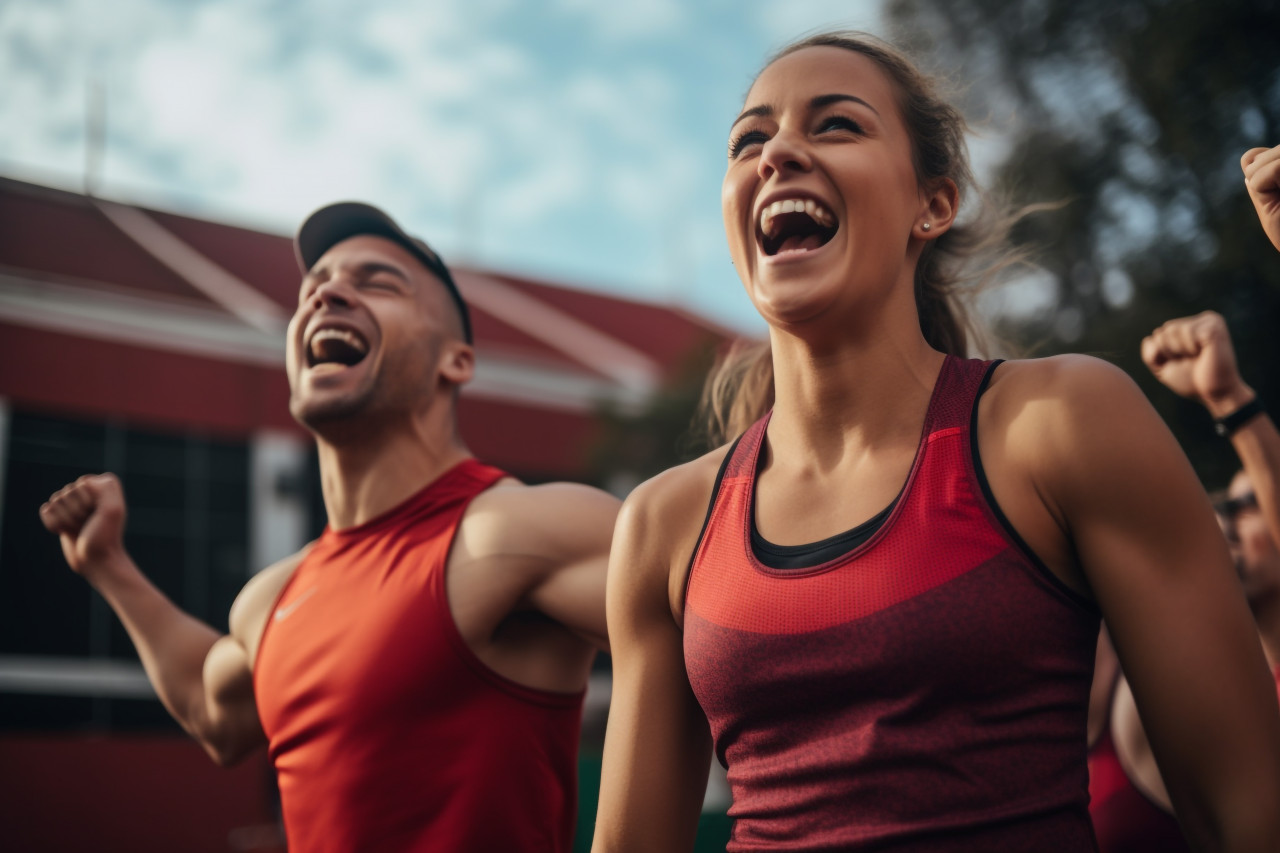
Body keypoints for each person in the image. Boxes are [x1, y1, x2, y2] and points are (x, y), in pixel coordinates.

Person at [592, 32, 1280, 853]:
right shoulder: (663, 523)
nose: (777, 153)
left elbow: (1250, 816)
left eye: (836, 125)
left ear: (934, 204)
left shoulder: (1060, 423)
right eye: (750, 139)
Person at [39, 203, 618, 853]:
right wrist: (108, 566)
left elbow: (728, 644)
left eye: (377, 282)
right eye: (313, 286)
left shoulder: (521, 530)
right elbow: (212, 708)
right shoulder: (272, 599)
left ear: (455, 361)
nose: (328, 291)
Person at [1090, 309, 1280, 847]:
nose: (1226, 520)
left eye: (1248, 504)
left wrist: (1229, 402)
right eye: (1223, 504)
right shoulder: (1198, 693)